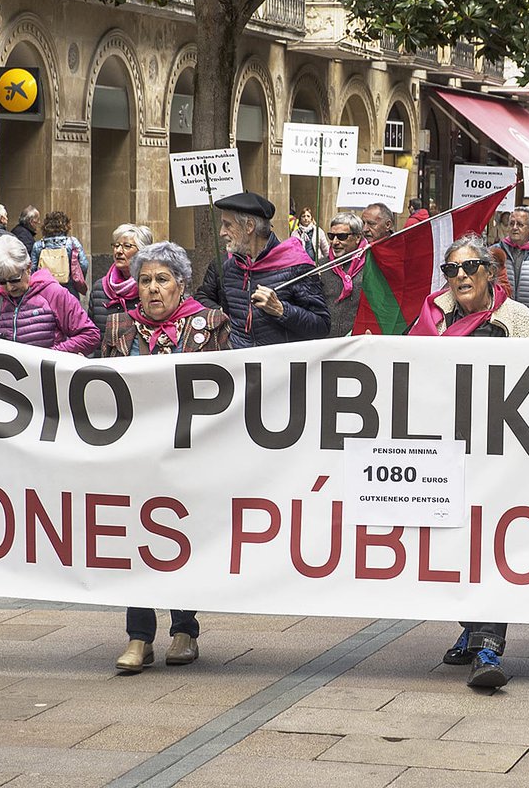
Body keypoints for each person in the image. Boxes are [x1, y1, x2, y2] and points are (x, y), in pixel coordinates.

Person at [407, 234, 529, 687]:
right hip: (448, 456)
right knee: (457, 544)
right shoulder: (433, 317)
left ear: (490, 271)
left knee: (495, 546)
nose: (461, 277)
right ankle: (470, 629)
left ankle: (488, 645)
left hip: (503, 458)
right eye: (451, 271)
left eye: (470, 268)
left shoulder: (517, 321)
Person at [101, 241, 231, 673]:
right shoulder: (119, 326)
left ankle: (183, 629)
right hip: (134, 456)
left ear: (181, 284)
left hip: (192, 456)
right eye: (144, 280)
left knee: (180, 540)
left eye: (162, 280)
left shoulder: (210, 324)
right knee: (134, 543)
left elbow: (237, 386)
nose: (152, 289)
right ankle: (139, 637)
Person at [197, 191, 330, 348]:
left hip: (280, 367)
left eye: (228, 225)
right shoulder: (229, 268)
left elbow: (322, 327)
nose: (222, 232)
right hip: (239, 367)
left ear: (249, 226)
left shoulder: (296, 265)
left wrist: (281, 310)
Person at [0, 235, 100, 354]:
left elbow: (90, 335)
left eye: (14, 279)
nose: (9, 287)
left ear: (28, 267)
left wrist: (52, 354)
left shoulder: (53, 294)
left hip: (46, 373)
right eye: (2, 281)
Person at [90, 224, 152, 333]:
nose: (118, 251)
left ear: (142, 252)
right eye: (116, 245)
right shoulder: (99, 288)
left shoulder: (151, 288)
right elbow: (92, 334)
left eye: (127, 246)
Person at [319, 211, 368, 337]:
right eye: (331, 236)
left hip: (358, 344)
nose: (335, 242)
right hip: (326, 343)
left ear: (358, 237)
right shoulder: (320, 267)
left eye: (341, 236)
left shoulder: (371, 267)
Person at [31, 210, 88, 300]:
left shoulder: (38, 246)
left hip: (45, 291)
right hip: (69, 289)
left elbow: (32, 270)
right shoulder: (72, 242)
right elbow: (84, 264)